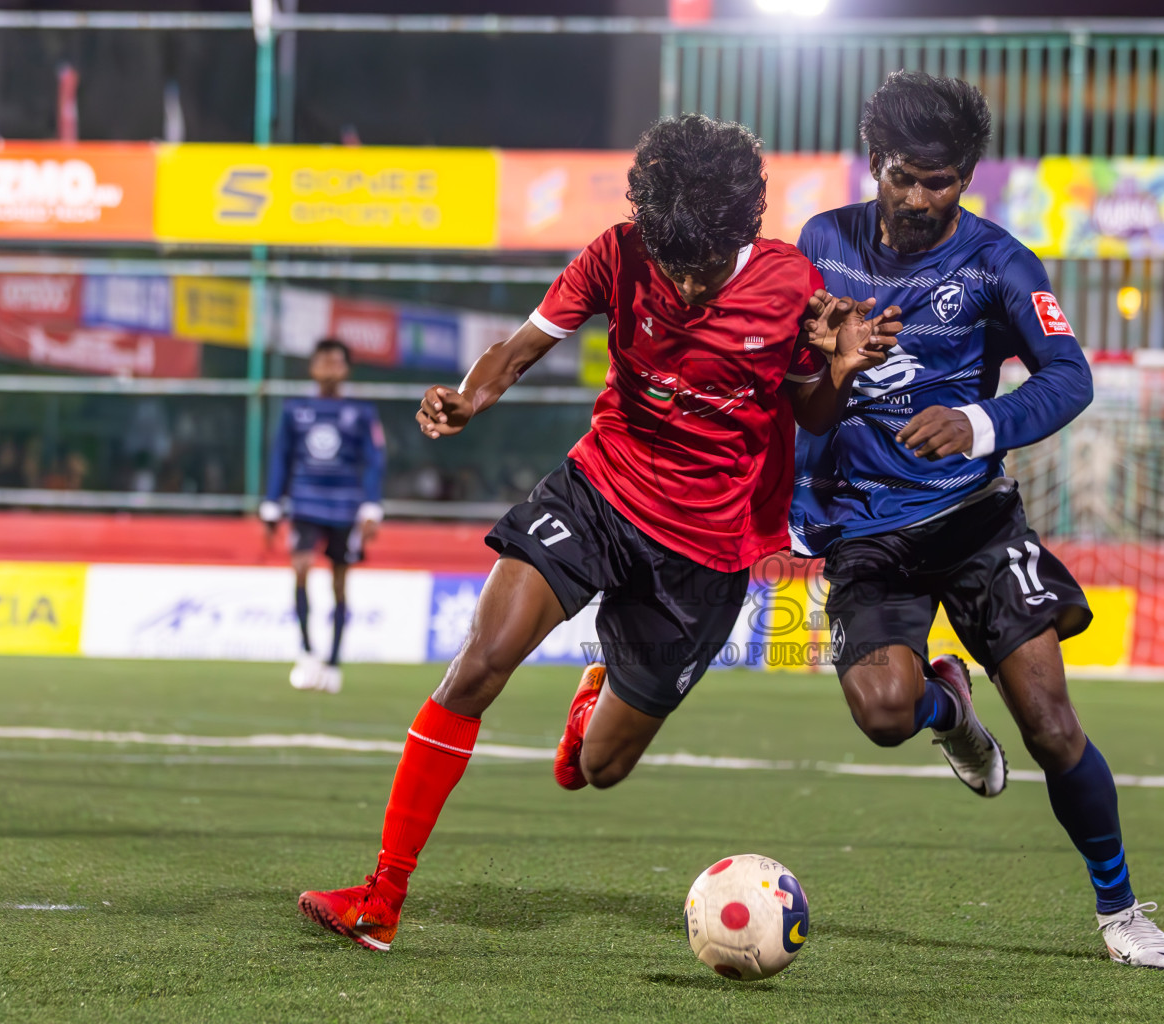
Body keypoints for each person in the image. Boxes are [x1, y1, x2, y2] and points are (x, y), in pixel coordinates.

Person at [295, 114, 898, 952]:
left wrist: (837, 371)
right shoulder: (617, 253)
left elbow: (810, 411)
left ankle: (592, 706)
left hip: (707, 550)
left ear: (741, 229)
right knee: (480, 661)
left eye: (703, 266)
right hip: (601, 492)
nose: (686, 287)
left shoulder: (791, 285)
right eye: (673, 264)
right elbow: (517, 348)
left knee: (596, 770)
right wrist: (469, 399)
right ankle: (382, 895)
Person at [792, 71, 1164, 968]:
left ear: (967, 173)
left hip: (974, 519)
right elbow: (793, 381)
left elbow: (1068, 375)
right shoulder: (822, 243)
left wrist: (979, 422)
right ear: (873, 162)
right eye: (903, 176)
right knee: (886, 713)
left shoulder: (999, 262)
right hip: (864, 531)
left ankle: (1120, 909)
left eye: (942, 180)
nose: (921, 198)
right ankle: (948, 708)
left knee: (1049, 722)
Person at [260, 337, 386, 695]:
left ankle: (333, 661)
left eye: (336, 361)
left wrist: (372, 505)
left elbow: (374, 460)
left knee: (339, 583)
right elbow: (280, 456)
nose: (330, 367)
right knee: (300, 569)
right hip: (305, 501)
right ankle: (305, 652)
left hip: (345, 505)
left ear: (346, 369)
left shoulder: (361, 413)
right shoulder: (294, 409)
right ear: (312, 367)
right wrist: (272, 501)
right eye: (323, 361)